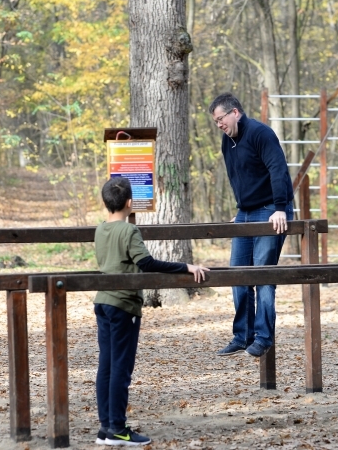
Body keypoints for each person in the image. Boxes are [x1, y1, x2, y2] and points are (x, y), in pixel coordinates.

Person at [93, 177, 208, 446]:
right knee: (120, 368)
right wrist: (186, 267)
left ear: (105, 202)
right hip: (123, 304)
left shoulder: (100, 229)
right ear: (130, 203)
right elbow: (146, 262)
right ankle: (117, 429)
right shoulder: (129, 231)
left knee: (106, 366)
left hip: (103, 302)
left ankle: (106, 427)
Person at [209, 93, 294, 358]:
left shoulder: (260, 133)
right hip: (245, 212)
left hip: (270, 210)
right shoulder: (228, 141)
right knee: (238, 274)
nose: (219, 125)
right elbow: (240, 178)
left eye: (221, 119)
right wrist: (242, 211)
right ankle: (242, 336)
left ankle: (263, 337)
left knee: (262, 275)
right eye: (216, 121)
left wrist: (279, 207)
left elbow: (278, 169)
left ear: (235, 112)